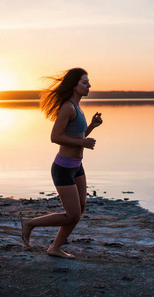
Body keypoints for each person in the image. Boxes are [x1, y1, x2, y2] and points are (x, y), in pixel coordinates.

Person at [21, 68, 103, 259]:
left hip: (77, 166)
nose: (89, 85)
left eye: (88, 82)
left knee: (79, 210)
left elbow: (76, 136)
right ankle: (29, 223)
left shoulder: (78, 108)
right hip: (63, 168)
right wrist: (82, 142)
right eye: (85, 82)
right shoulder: (67, 107)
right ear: (74, 85)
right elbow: (55, 137)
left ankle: (54, 248)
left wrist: (91, 126)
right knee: (72, 214)